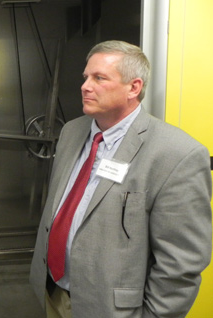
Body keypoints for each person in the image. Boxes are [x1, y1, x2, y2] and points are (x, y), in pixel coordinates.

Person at [30, 40, 212, 318]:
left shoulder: (177, 154)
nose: (85, 86)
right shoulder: (71, 132)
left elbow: (181, 264)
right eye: (86, 77)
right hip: (53, 292)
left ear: (134, 87)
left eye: (99, 78)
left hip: (111, 309)